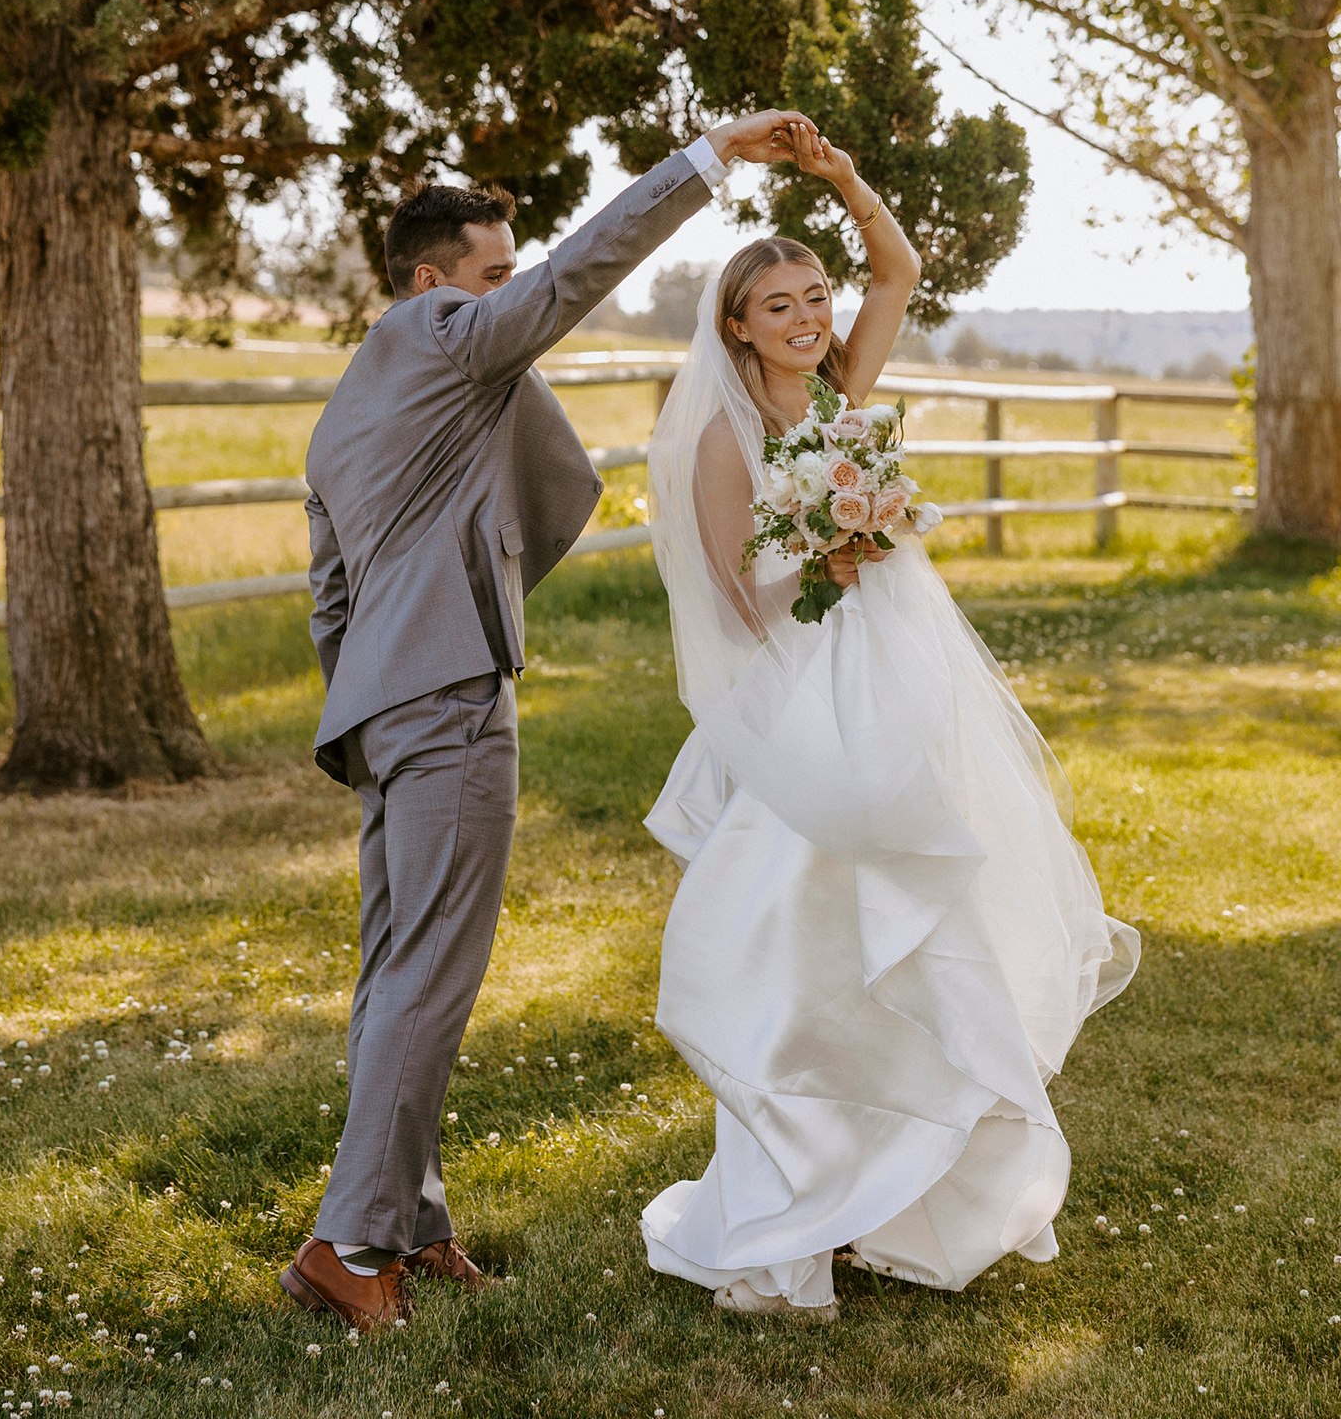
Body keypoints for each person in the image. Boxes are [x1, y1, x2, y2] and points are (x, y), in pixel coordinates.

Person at [279, 108, 817, 1332]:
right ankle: (346, 1246)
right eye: (492, 276)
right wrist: (710, 159)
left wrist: (369, 697)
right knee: (432, 969)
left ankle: (410, 1220)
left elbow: (330, 596)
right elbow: (578, 273)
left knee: (396, 966)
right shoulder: (439, 334)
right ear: (432, 286)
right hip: (449, 701)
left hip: (382, 706)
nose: (508, 297)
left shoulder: (345, 407)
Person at [640, 122, 1139, 1319]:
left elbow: (899, 270)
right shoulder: (725, 439)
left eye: (816, 295)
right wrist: (830, 550)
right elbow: (740, 602)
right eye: (779, 304)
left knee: (926, 920)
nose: (809, 316)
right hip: (799, 699)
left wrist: (842, 180)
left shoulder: (840, 394)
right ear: (737, 327)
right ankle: (791, 1217)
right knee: (799, 939)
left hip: (892, 680)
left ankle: (900, 1198)